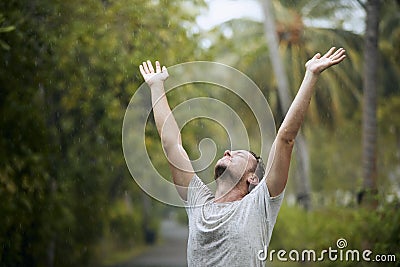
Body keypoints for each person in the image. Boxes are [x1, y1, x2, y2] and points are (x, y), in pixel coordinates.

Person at [139, 47, 346, 266]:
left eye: (238, 154)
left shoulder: (259, 205)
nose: (228, 152)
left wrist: (311, 75)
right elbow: (171, 145)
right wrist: (156, 86)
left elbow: (285, 139)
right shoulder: (197, 201)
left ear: (252, 178)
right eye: (230, 151)